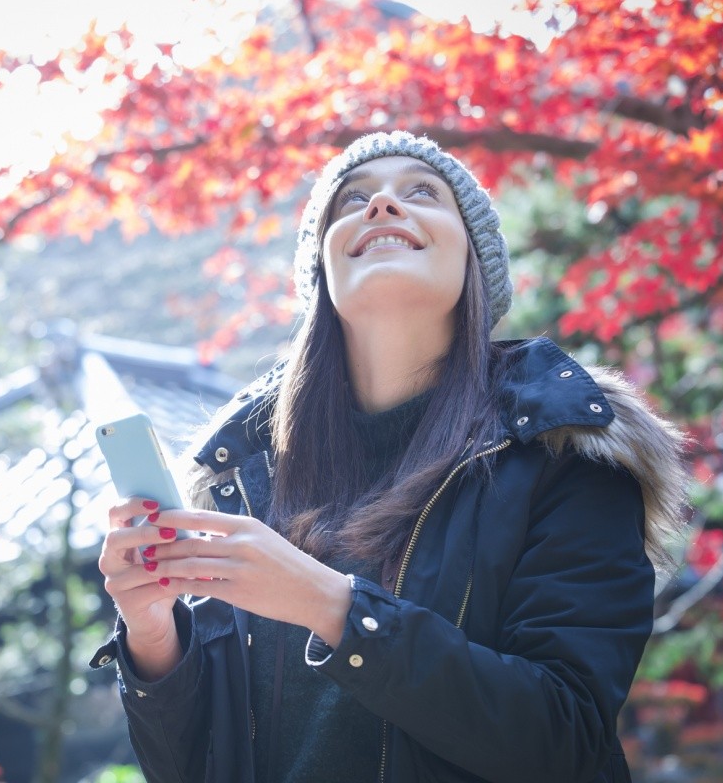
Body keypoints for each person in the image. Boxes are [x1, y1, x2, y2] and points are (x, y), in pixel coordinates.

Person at [91, 130, 687, 783]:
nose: (381, 206)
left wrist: (334, 607)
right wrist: (152, 641)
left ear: (475, 262)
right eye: (352, 200)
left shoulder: (559, 447)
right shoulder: (245, 477)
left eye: (422, 192)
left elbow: (565, 736)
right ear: (321, 272)